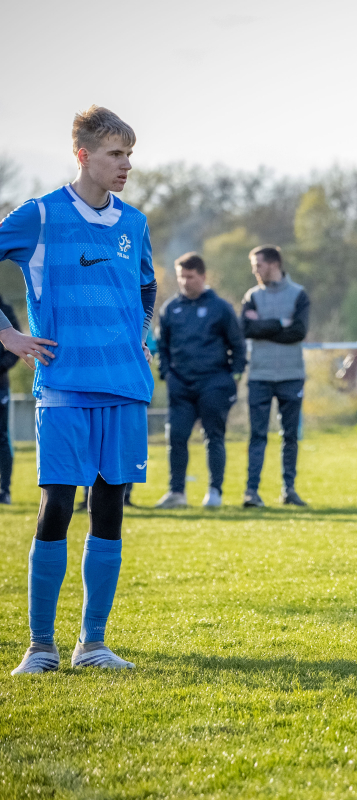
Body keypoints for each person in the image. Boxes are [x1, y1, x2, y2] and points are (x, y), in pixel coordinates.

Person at [0, 105, 156, 673]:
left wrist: (140, 336)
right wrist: (8, 334)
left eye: (130, 154)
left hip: (126, 387)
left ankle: (93, 644)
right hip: (64, 387)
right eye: (116, 154)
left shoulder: (134, 222)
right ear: (84, 155)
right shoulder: (40, 215)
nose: (126, 165)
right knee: (57, 507)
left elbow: (147, 286)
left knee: (109, 509)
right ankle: (40, 646)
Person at [155, 253, 245, 509]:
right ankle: (177, 493)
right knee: (176, 437)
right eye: (181, 277)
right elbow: (162, 347)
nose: (185, 282)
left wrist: (235, 377)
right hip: (180, 385)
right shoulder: (170, 309)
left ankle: (214, 492)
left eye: (190, 277)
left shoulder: (221, 308)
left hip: (214, 382)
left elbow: (238, 346)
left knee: (213, 436)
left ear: (203, 276)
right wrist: (166, 373)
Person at [240, 245, 309, 508]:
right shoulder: (252, 296)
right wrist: (281, 323)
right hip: (259, 375)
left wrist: (263, 326)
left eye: (258, 265)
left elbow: (299, 331)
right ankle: (251, 492)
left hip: (292, 375)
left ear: (274, 263)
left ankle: (288, 490)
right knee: (257, 435)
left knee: (289, 435)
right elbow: (246, 328)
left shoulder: (299, 294)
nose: (255, 271)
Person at [0, 294, 19, 504]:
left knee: (2, 438)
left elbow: (16, 347)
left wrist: (1, 366)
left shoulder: (5, 309)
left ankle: (4, 490)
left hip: (0, 386)